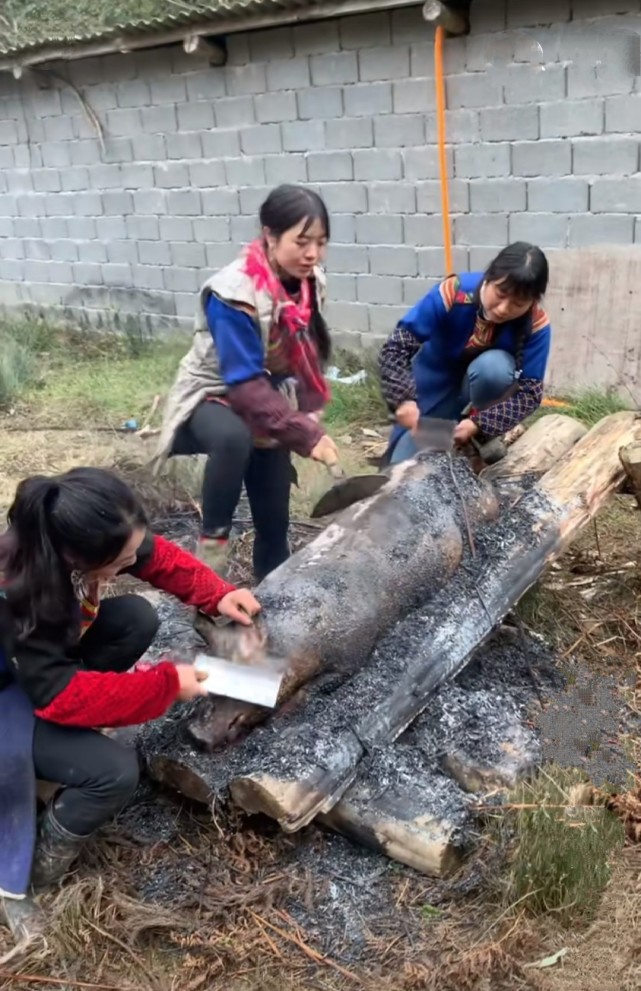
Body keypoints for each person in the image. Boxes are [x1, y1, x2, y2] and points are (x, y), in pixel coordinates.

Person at [0, 466, 260, 919]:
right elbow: (58, 696)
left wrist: (216, 594)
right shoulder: (22, 592)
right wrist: (162, 686)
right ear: (75, 558)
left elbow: (151, 555)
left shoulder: (75, 536)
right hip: (12, 692)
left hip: (37, 671)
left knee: (136, 617)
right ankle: (35, 867)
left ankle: (58, 745)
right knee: (115, 772)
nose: (132, 563)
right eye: (120, 563)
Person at [154, 184, 339, 582]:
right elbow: (242, 382)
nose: (313, 254)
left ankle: (274, 598)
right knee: (234, 439)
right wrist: (301, 433)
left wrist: (309, 411)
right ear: (270, 236)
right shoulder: (234, 292)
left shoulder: (309, 282)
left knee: (274, 515)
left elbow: (310, 346)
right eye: (302, 242)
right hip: (213, 393)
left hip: (267, 395)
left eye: (321, 243)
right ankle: (211, 559)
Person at [378, 242, 551, 464]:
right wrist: (403, 399)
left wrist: (480, 423)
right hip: (433, 385)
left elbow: (530, 395)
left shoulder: (536, 324)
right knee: (401, 467)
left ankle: (478, 439)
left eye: (518, 303)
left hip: (484, 397)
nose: (503, 308)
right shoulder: (454, 292)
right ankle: (443, 430)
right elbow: (397, 348)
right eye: (500, 293)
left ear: (533, 301)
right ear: (489, 277)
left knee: (494, 368)